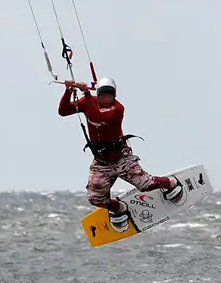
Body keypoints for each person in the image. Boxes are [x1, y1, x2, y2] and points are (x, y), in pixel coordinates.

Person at [58, 76, 183, 232]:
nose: (106, 98)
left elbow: (97, 116)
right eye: (103, 95)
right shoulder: (88, 103)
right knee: (95, 199)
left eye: (109, 95)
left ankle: (170, 183)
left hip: (121, 159)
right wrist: (68, 92)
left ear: (114, 96)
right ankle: (118, 208)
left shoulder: (117, 108)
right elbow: (63, 111)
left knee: (146, 185)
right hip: (101, 162)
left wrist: (87, 94)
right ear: (98, 94)